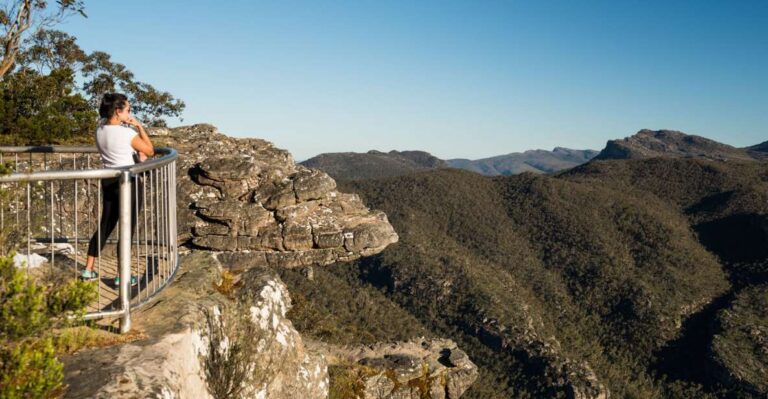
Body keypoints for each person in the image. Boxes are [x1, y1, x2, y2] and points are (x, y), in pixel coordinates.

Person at [80, 93, 154, 286]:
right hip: (128, 182)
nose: (130, 113)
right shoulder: (127, 133)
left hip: (109, 180)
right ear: (118, 111)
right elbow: (149, 150)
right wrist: (139, 127)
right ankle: (123, 275)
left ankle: (88, 270)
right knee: (126, 230)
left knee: (105, 225)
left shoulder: (100, 130)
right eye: (128, 110)